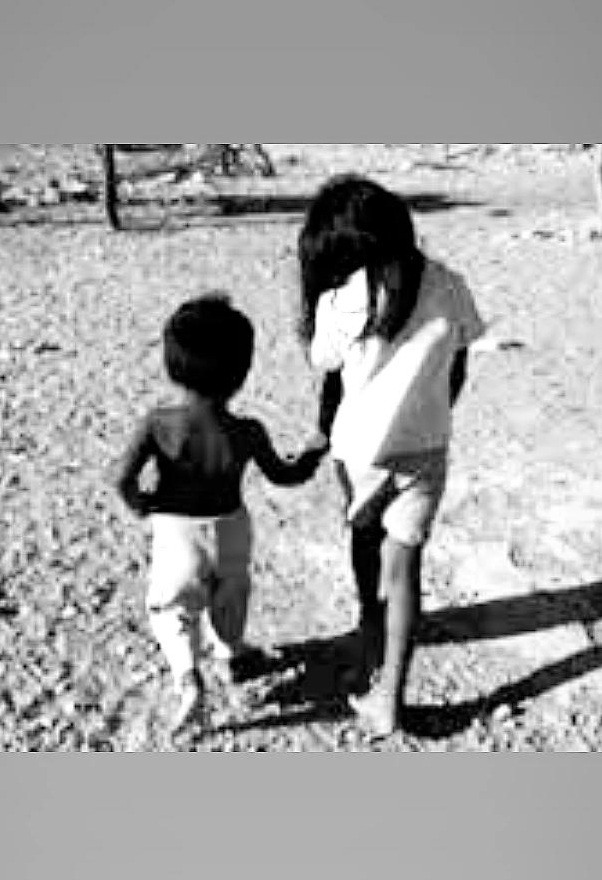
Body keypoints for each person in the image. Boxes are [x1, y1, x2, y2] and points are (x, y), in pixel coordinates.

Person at [298, 176, 486, 738]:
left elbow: (322, 361)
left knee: (364, 541)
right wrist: (433, 410)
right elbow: (459, 362)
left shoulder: (344, 298)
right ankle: (390, 701)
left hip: (360, 453)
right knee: (406, 572)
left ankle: (368, 624)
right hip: (426, 450)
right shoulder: (450, 284)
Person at [115, 293, 327, 737]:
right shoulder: (248, 431)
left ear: (171, 365)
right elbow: (285, 475)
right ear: (241, 375)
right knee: (231, 596)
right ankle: (230, 653)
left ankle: (189, 679)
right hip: (231, 528)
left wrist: (141, 505)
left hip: (178, 534)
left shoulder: (158, 424)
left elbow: (121, 479)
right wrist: (312, 453)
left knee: (172, 611)